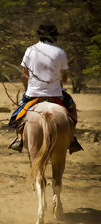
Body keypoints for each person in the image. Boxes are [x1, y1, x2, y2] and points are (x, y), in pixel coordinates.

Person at [9, 21, 83, 154]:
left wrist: (28, 89)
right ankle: (71, 139)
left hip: (33, 93)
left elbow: (24, 75)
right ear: (55, 35)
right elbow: (64, 77)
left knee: (18, 114)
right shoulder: (60, 52)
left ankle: (19, 138)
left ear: (39, 34)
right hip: (56, 94)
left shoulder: (30, 50)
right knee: (72, 109)